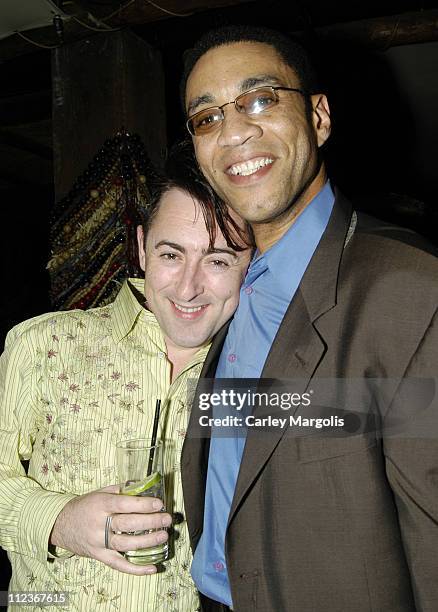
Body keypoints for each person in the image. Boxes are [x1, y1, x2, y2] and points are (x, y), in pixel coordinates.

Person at [180, 25, 438, 612]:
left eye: (261, 99)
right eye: (207, 118)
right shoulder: (221, 291)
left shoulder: (411, 290)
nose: (235, 131)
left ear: (319, 117)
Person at [0, 141, 251, 611]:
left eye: (218, 260)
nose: (188, 286)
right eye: (171, 255)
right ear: (141, 247)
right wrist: (58, 520)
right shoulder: (43, 345)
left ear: (249, 267)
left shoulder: (257, 378)